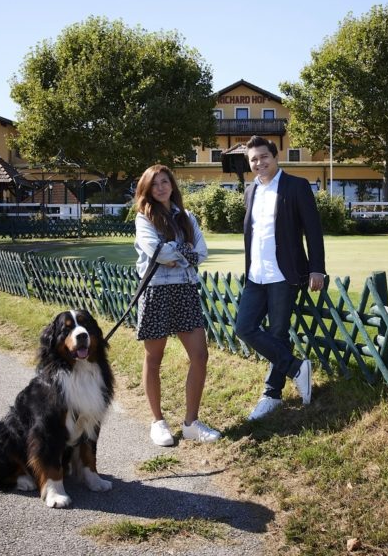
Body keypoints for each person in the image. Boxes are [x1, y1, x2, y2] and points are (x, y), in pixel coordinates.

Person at [236, 135, 326, 421]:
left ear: (275, 156)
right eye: (253, 159)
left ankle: (271, 395)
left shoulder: (296, 186)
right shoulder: (250, 191)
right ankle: (297, 368)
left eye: (264, 156)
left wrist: (317, 268)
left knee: (277, 333)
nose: (259, 163)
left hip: (283, 275)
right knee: (244, 327)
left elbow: (313, 230)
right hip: (255, 275)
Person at [133, 165, 221, 445]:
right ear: (147, 189)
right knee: (154, 359)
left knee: (200, 355)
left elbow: (202, 253)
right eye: (154, 184)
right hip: (156, 292)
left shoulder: (187, 218)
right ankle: (158, 422)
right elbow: (157, 253)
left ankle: (191, 423)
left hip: (185, 290)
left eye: (165, 182)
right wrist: (183, 252)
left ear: (172, 185)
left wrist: (177, 254)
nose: (160, 187)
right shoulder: (143, 218)